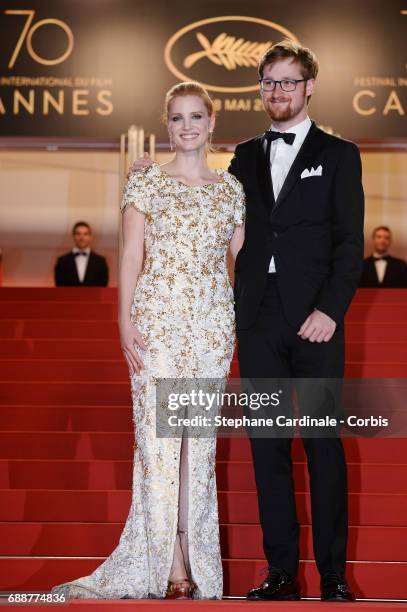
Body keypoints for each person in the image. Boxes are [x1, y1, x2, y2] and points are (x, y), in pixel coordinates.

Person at [50, 82, 245, 600]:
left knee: (197, 449)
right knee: (159, 446)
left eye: (196, 117)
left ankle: (191, 556)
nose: (187, 126)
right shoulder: (145, 184)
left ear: (211, 122)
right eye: (177, 118)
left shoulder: (231, 190)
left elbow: (244, 264)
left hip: (210, 328)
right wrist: (123, 322)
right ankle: (166, 560)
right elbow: (131, 257)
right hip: (156, 325)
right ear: (167, 125)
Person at [228, 40, 364, 602]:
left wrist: (330, 311)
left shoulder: (340, 153)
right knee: (267, 444)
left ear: (309, 86)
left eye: (287, 81)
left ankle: (333, 575)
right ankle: (281, 572)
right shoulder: (242, 156)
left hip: (316, 322)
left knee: (324, 442)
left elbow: (350, 243)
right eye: (268, 82)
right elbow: (210, 207)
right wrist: (155, 172)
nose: (277, 91)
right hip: (258, 319)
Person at [54, 221, 109, 286]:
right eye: (78, 234)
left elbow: (103, 287)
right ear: (73, 236)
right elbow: (60, 287)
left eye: (85, 234)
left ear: (90, 237)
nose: (82, 237)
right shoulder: (62, 261)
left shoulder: (100, 262)